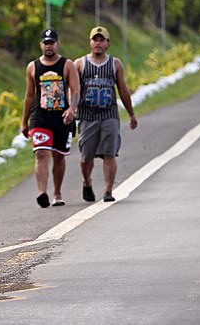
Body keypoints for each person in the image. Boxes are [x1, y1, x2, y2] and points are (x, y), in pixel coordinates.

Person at [75, 26, 138, 203]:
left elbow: (123, 90)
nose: (98, 43)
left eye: (102, 40)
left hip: (109, 115)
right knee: (86, 156)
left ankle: (108, 190)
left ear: (108, 43)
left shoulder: (114, 64)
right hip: (87, 116)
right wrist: (71, 109)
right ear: (90, 42)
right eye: (95, 39)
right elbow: (72, 89)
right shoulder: (80, 64)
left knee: (110, 153)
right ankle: (86, 181)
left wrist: (131, 114)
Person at [21, 29, 80, 208]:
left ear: (57, 44)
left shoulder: (66, 64)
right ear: (41, 45)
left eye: (51, 42)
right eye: (46, 43)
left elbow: (76, 90)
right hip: (40, 117)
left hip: (62, 117)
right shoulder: (33, 67)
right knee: (41, 153)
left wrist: (72, 109)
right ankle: (42, 193)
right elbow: (29, 96)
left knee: (58, 156)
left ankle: (57, 192)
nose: (49, 46)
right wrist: (24, 121)